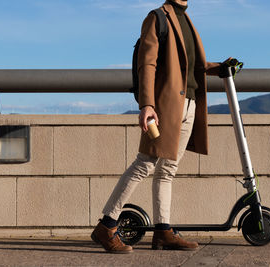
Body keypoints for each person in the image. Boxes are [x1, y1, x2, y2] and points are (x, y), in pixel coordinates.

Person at [91, 0, 229, 253]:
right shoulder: (157, 17)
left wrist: (220, 67)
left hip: (189, 105)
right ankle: (107, 225)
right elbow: (148, 63)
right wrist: (147, 104)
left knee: (168, 170)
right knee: (144, 163)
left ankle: (163, 231)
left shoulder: (186, 20)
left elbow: (189, 66)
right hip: (165, 106)